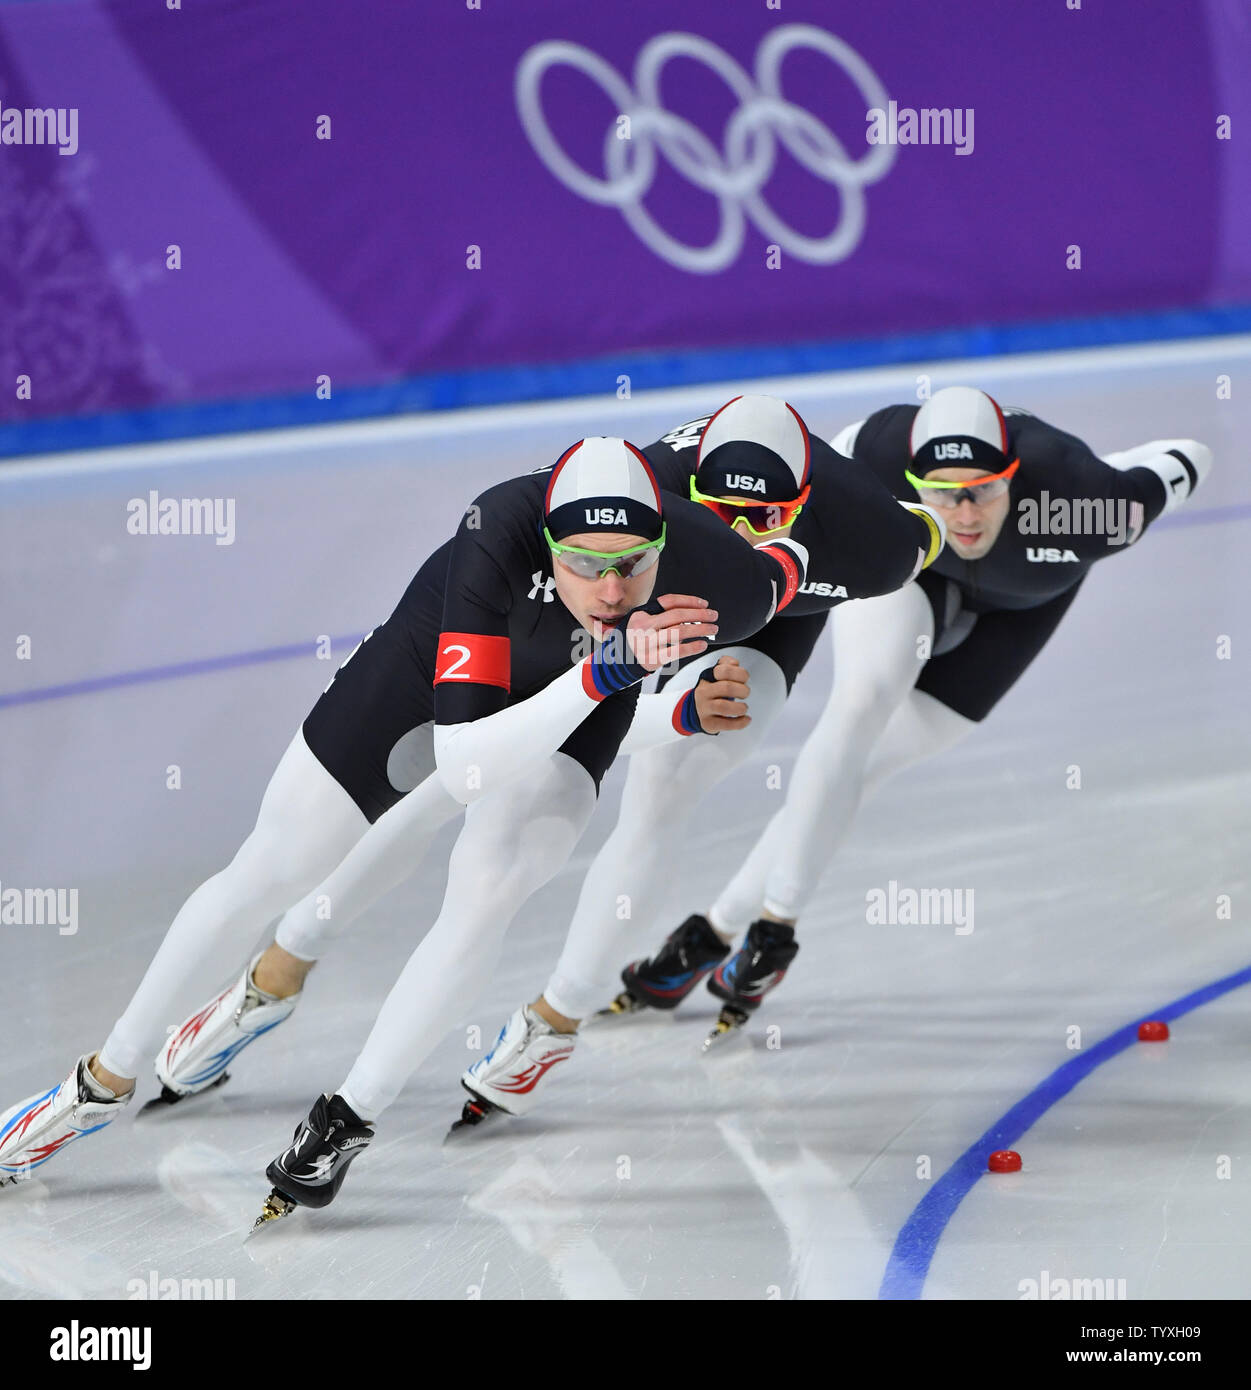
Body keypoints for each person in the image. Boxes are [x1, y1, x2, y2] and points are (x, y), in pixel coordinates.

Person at [0, 437, 806, 1203]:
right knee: (275, 866)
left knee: (489, 892)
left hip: (581, 700)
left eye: (631, 568)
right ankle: (106, 1077)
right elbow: (465, 768)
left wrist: (680, 713)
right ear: (546, 545)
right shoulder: (494, 535)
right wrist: (605, 670)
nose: (608, 591)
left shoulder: (724, 577)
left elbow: (824, 556)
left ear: (666, 543)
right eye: (582, 566)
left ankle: (347, 1117)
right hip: (426, 679)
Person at [598, 386, 1212, 1049]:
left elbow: (1187, 453)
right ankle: (773, 932)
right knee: (859, 708)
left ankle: (712, 932)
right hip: (911, 574)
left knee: (874, 766)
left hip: (1022, 610)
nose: (964, 514)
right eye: (942, 493)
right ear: (913, 479)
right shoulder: (875, 450)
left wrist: (1114, 467)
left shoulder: (1090, 503)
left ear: (1015, 477)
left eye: (981, 490)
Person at [457, 393, 946, 1120]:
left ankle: (556, 1019)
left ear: (804, 501)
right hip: (668, 595)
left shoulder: (873, 541)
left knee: (663, 786)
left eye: (766, 519)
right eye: (723, 513)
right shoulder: (648, 483)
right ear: (688, 495)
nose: (742, 539)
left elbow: (929, 531)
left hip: (769, 628)